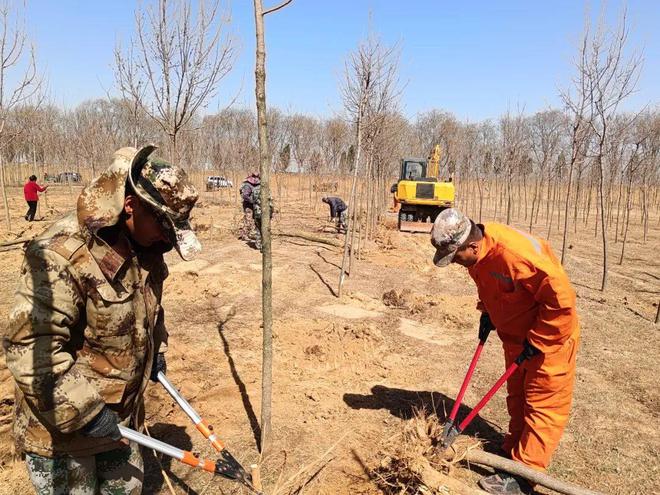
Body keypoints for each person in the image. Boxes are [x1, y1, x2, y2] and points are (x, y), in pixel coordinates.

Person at [3, 145, 201, 494]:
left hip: (121, 425)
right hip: (64, 438)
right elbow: (31, 347)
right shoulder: (61, 253)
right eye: (164, 227)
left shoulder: (145, 248)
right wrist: (87, 412)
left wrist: (158, 349)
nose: (167, 240)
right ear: (131, 205)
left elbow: (149, 308)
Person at [430, 208, 579, 495]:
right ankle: (512, 450)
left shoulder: (518, 256)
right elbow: (491, 283)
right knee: (518, 396)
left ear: (471, 245)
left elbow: (563, 304)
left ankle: (526, 473)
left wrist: (539, 339)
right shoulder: (479, 252)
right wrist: (487, 311)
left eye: (457, 257)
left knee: (542, 404)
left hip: (549, 341)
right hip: (517, 339)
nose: (457, 264)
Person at [250, 179, 273, 251]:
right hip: (265, 213)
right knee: (265, 230)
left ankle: (258, 244)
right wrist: (271, 213)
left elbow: (252, 201)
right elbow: (270, 202)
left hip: (257, 212)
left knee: (258, 229)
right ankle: (265, 246)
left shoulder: (254, 190)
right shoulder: (267, 189)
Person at [238, 172, 260, 242]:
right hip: (248, 205)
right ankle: (244, 235)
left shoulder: (257, 185)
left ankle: (250, 234)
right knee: (248, 219)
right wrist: (252, 201)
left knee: (253, 220)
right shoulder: (247, 185)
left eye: (257, 177)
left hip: (254, 205)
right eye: (255, 177)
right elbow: (245, 196)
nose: (256, 179)